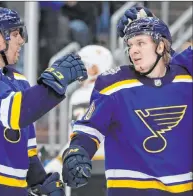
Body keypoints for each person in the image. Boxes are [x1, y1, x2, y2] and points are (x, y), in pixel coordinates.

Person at [61, 8, 192, 196]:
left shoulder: (186, 79)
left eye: (141, 43)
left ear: (161, 46)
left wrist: (154, 24)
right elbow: (89, 129)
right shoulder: (113, 84)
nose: (134, 50)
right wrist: (77, 151)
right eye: (130, 45)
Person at [0, 7, 87, 196]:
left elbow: (27, 150)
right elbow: (14, 113)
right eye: (16, 33)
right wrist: (56, 81)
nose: (22, 40)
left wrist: (41, 182)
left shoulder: (19, 81)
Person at [45, 45, 113, 196]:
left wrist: (57, 162)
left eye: (84, 64)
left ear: (95, 69)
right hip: (114, 167)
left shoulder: (81, 96)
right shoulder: (116, 90)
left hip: (89, 168)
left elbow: (80, 137)